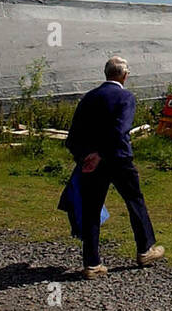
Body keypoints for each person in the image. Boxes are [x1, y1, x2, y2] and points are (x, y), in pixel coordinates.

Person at [65, 55, 165, 278]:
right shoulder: (125, 97)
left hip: (92, 164)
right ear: (124, 75)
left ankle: (92, 264)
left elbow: (73, 137)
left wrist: (85, 157)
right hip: (118, 159)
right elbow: (119, 130)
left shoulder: (88, 99)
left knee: (91, 209)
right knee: (134, 201)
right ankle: (144, 249)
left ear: (106, 73)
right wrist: (101, 153)